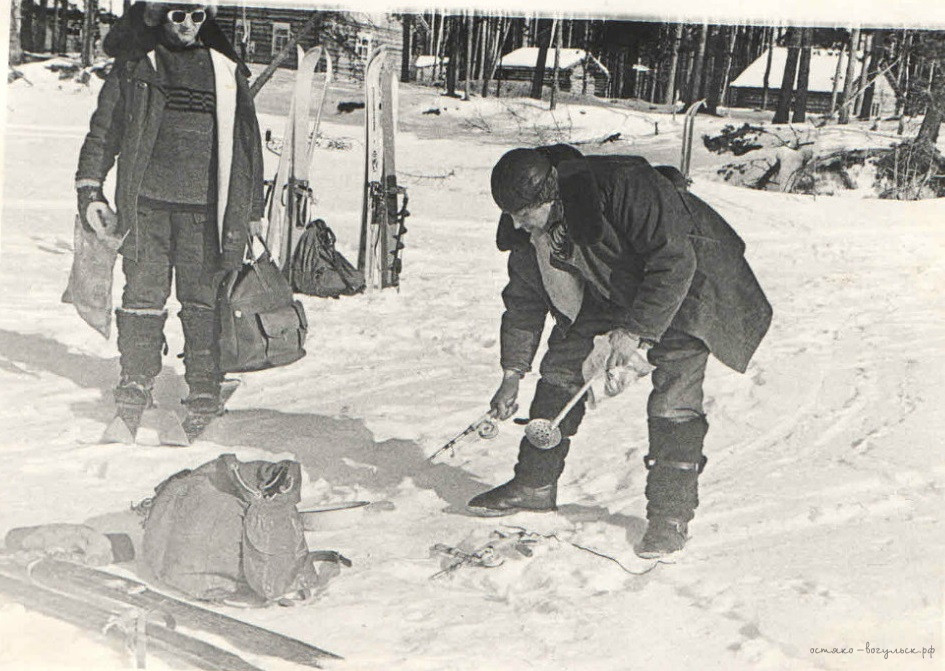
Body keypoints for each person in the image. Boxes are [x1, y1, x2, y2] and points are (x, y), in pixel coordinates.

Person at [467, 145, 773, 559]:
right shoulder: (528, 229)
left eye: (524, 214)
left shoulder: (626, 186)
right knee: (562, 367)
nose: (517, 224)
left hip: (689, 283)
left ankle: (670, 517)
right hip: (616, 286)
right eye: (511, 215)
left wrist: (636, 332)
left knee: (674, 397)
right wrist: (511, 372)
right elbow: (524, 300)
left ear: (551, 197)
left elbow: (674, 261)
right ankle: (534, 484)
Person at [75, 1, 265, 440]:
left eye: (197, 15)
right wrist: (90, 189)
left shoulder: (224, 70)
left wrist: (252, 211)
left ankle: (203, 388)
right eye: (179, 14)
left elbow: (248, 145)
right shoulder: (137, 66)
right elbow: (104, 130)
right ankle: (136, 381)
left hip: (206, 212)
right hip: (145, 208)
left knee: (202, 300)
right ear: (160, 16)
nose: (188, 25)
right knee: (142, 296)